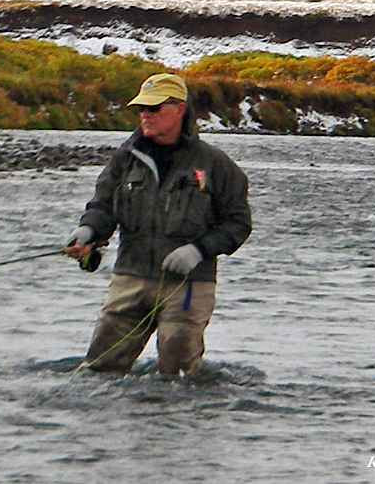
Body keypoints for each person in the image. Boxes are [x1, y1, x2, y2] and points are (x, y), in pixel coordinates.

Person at [63, 73, 252, 376]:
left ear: (179, 110)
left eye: (154, 108)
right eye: (142, 108)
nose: (145, 115)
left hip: (188, 286)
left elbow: (238, 224)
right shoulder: (124, 159)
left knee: (177, 375)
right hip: (130, 279)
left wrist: (198, 251)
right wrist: (88, 232)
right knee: (99, 370)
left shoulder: (215, 164)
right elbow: (102, 207)